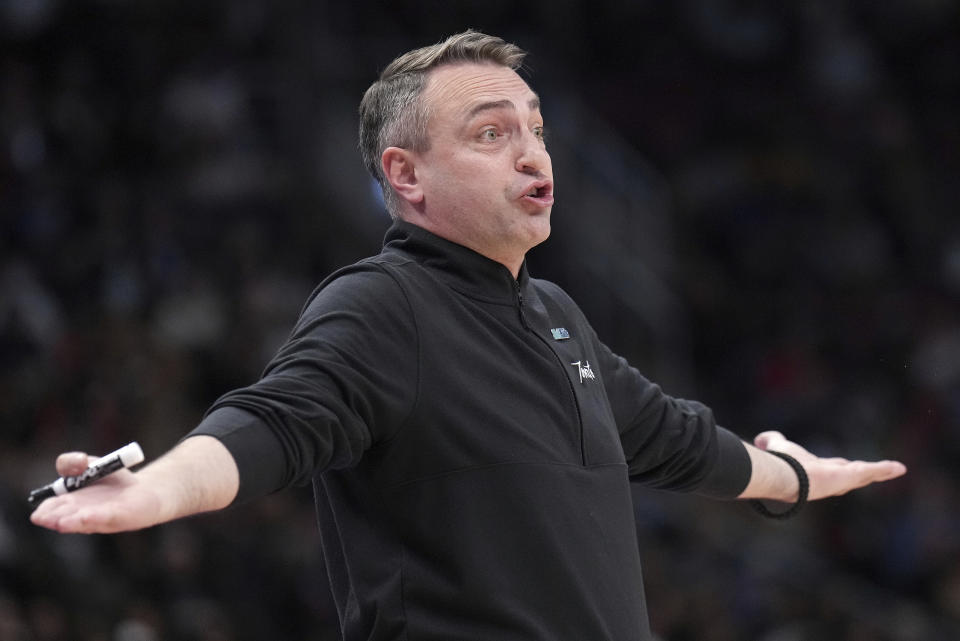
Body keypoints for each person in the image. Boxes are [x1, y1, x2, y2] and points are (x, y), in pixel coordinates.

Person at [31, 30, 906, 640]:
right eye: (493, 133)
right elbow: (274, 422)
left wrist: (794, 476)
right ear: (404, 177)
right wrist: (159, 487)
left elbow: (672, 440)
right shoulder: (383, 306)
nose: (534, 154)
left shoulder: (560, 316)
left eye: (535, 129)